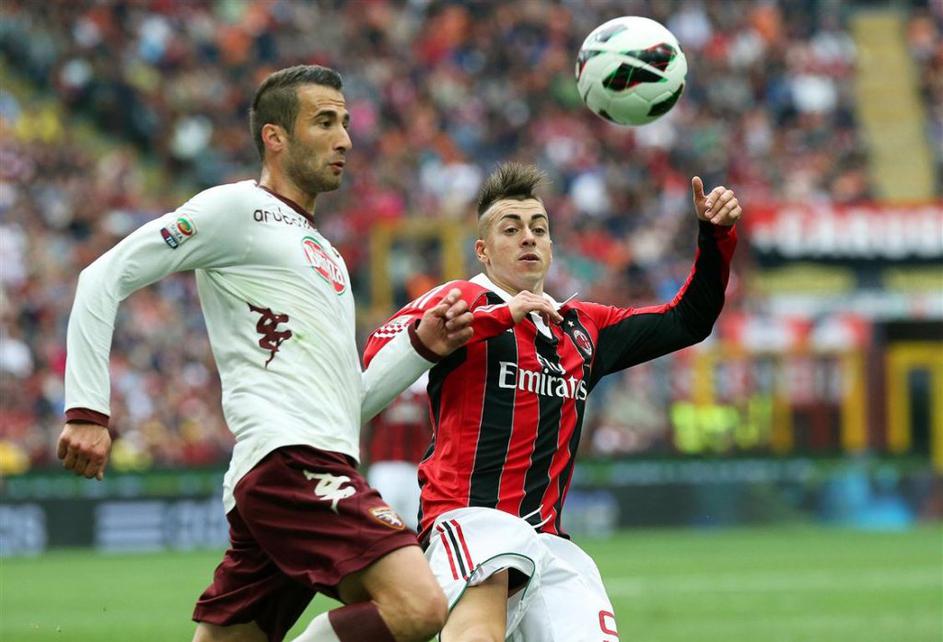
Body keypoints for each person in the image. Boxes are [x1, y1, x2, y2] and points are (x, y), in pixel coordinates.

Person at [56, 65, 480, 642]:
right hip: (291, 460)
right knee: (418, 606)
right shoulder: (236, 209)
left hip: (300, 462)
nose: (344, 139)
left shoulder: (327, 255)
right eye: (324, 122)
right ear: (274, 137)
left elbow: (346, 403)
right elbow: (103, 276)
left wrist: (421, 347)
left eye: (345, 123)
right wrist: (87, 409)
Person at [363, 162, 741, 641]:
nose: (528, 237)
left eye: (539, 229)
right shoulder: (462, 298)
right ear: (482, 251)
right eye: (511, 229)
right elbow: (378, 352)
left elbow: (688, 321)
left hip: (549, 541)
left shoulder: (582, 327)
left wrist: (715, 237)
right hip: (471, 519)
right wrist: (500, 316)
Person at [364, 373, 432, 531]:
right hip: (385, 466)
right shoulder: (383, 389)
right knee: (381, 523)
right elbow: (369, 422)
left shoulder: (425, 392)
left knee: (416, 524)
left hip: (416, 468)